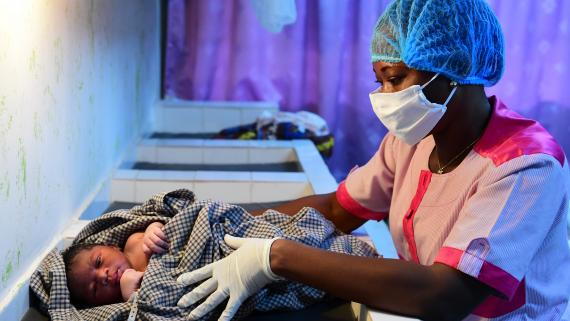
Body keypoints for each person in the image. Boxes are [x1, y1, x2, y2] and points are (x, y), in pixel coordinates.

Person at [175, 0, 570, 320]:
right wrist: (218, 221)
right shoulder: (413, 140)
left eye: (395, 79)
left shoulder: (525, 164)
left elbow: (447, 294)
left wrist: (276, 256)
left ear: (454, 71)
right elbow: (338, 208)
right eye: (379, 80)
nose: (383, 96)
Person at [62, 222, 169, 307]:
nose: (103, 276)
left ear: (112, 246)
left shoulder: (133, 242)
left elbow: (162, 221)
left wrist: (153, 229)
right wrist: (133, 298)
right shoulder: (125, 304)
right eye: (94, 288)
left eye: (98, 262)